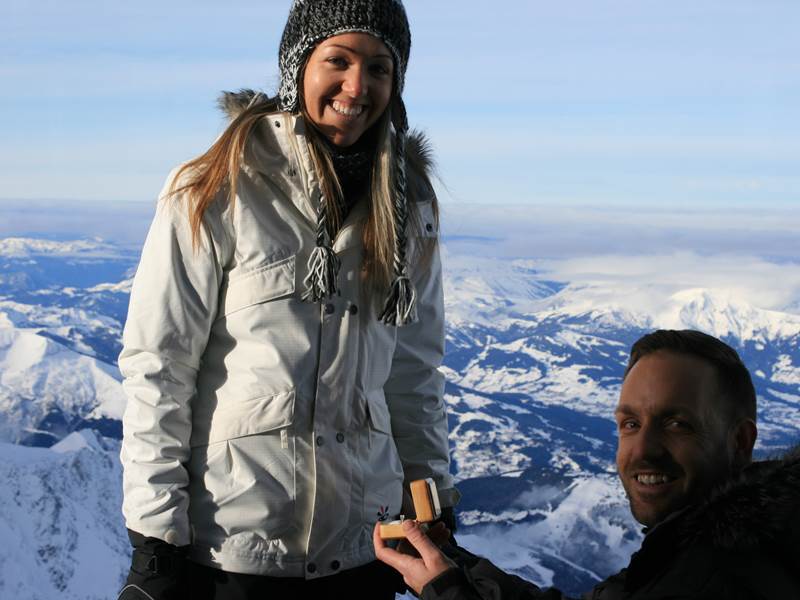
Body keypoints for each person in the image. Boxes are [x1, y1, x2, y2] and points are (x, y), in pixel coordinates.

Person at [116, 1, 459, 598]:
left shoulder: (411, 206)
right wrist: (155, 539)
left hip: (362, 549)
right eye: (339, 60)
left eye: (380, 68)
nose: (358, 86)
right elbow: (160, 366)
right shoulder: (216, 186)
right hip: (234, 548)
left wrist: (432, 498)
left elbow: (412, 374)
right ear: (297, 66)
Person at [376, 330, 800, 599]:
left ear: (741, 441)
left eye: (677, 423)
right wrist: (454, 569)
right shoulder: (714, 545)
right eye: (630, 423)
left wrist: (447, 591)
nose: (644, 448)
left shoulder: (715, 579)